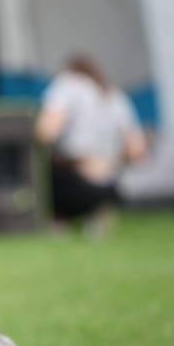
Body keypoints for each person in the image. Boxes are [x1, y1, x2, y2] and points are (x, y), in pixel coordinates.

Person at [35, 55, 148, 233]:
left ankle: (57, 220)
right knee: (99, 173)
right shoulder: (115, 95)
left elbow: (46, 133)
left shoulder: (67, 84)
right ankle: (99, 213)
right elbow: (137, 151)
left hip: (75, 181)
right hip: (112, 185)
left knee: (39, 167)